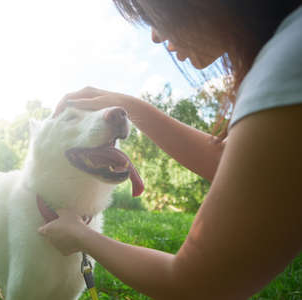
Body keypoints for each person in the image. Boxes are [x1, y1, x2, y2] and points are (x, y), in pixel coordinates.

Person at [37, 1, 302, 299]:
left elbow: (198, 283)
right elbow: (243, 162)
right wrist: (131, 106)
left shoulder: (288, 61)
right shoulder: (291, 42)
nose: (154, 36)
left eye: (153, 13)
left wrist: (82, 235)